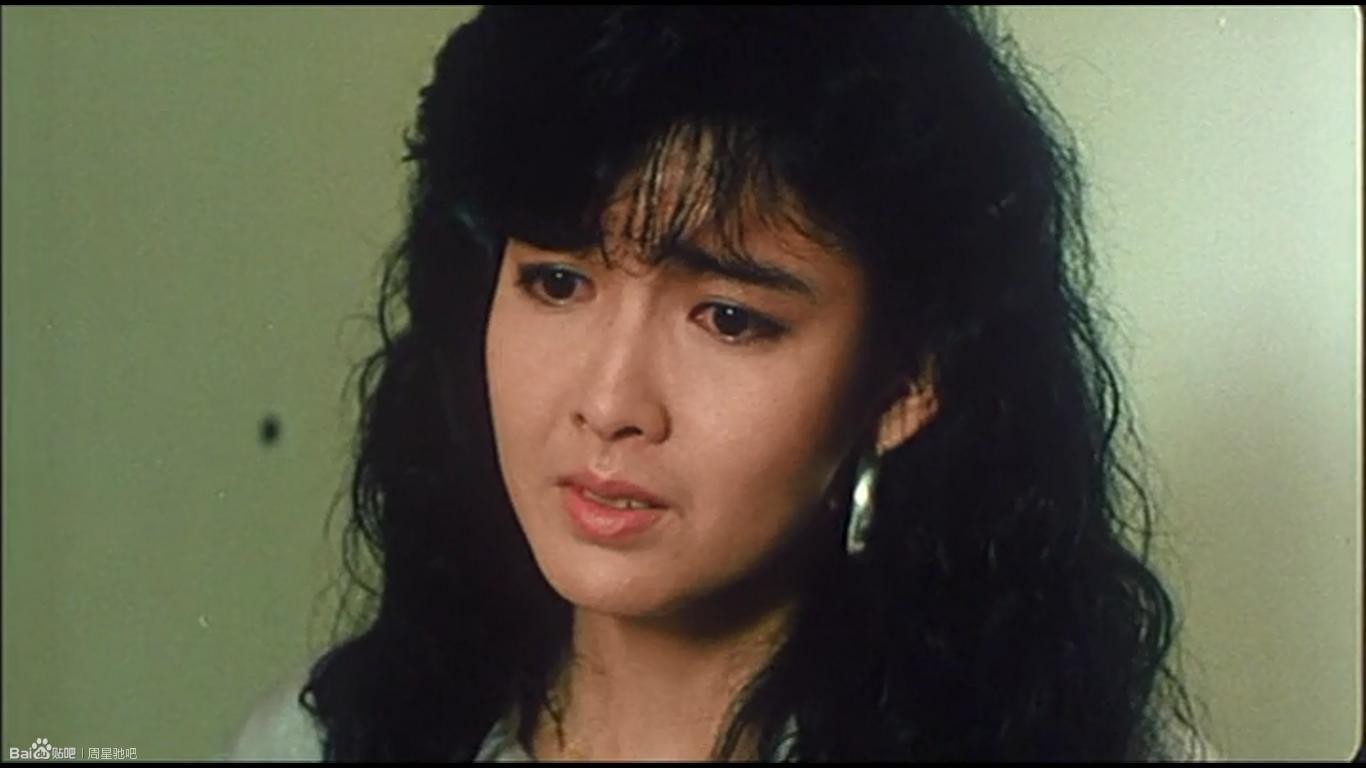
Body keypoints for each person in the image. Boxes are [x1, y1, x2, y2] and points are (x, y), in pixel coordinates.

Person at [227, 6, 1211, 761]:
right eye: (557, 283)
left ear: (905, 382)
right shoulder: (316, 745)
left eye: (729, 319)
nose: (609, 403)